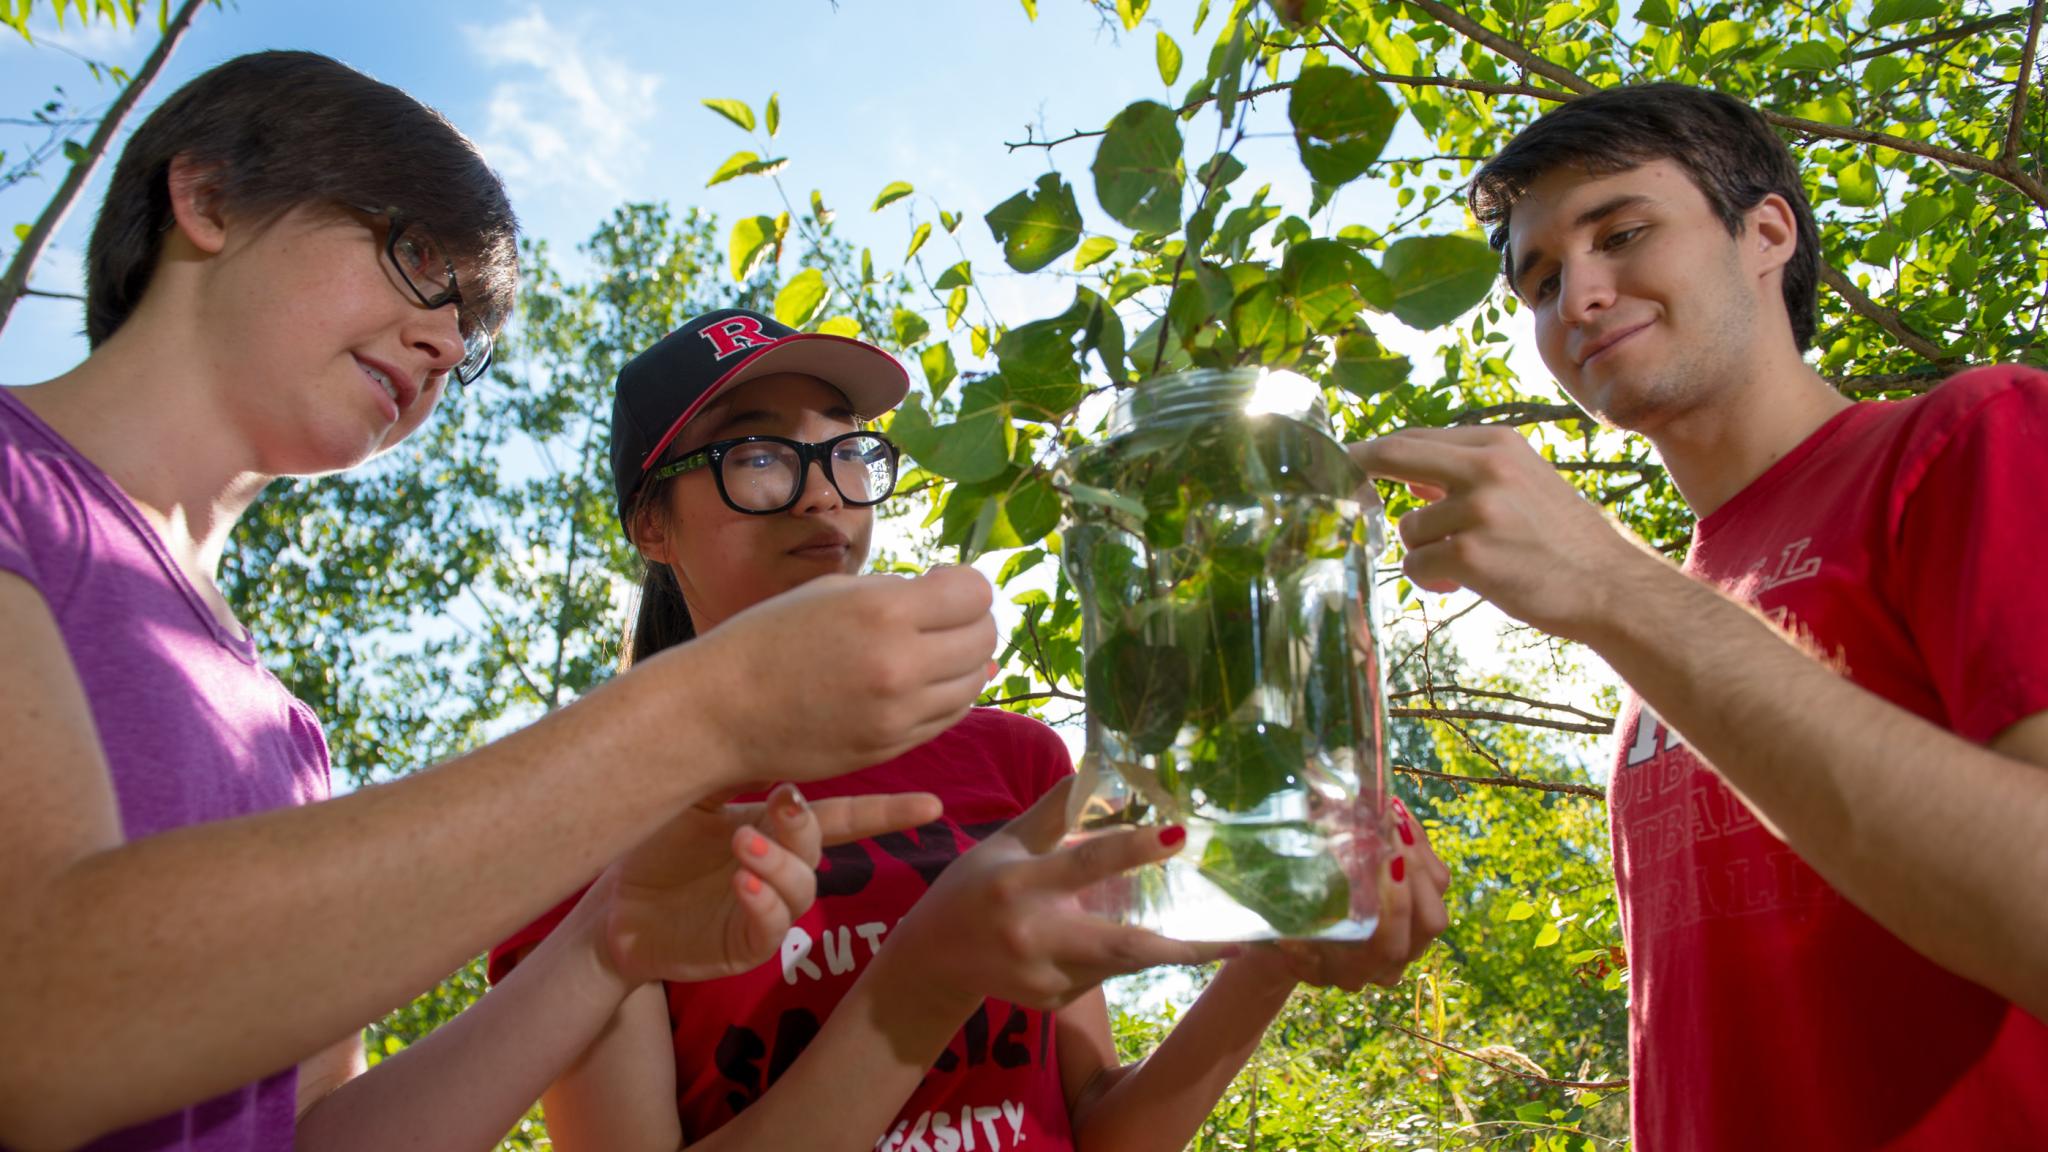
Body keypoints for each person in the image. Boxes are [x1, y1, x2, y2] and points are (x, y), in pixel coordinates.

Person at [0, 51, 1004, 1152]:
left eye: (469, 335)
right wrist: (707, 708)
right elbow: (36, 1025)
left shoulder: (282, 732)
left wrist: (602, 945)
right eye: (416, 257)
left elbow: (318, 1137)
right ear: (211, 197)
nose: (442, 347)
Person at [487, 306, 1454, 1150]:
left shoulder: (1016, 762)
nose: (824, 491)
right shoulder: (586, 833)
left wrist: (1280, 949)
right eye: (758, 456)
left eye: (848, 450)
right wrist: (925, 980)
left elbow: (1101, 1128)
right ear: (652, 527)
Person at [1353, 83, 2048, 1149]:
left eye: (1620, 232)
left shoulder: (1969, 440)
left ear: (1765, 231)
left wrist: (1616, 589)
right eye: (1538, 281)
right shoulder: (1675, 609)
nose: (1576, 296)